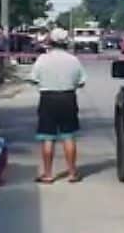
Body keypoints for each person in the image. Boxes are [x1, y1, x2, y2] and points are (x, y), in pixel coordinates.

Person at [29, 29, 86, 183]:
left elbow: (33, 79)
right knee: (69, 136)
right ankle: (73, 173)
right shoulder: (73, 60)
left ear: (50, 42)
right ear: (66, 43)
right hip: (68, 97)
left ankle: (48, 174)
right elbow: (81, 82)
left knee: (48, 137)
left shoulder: (42, 59)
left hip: (48, 98)